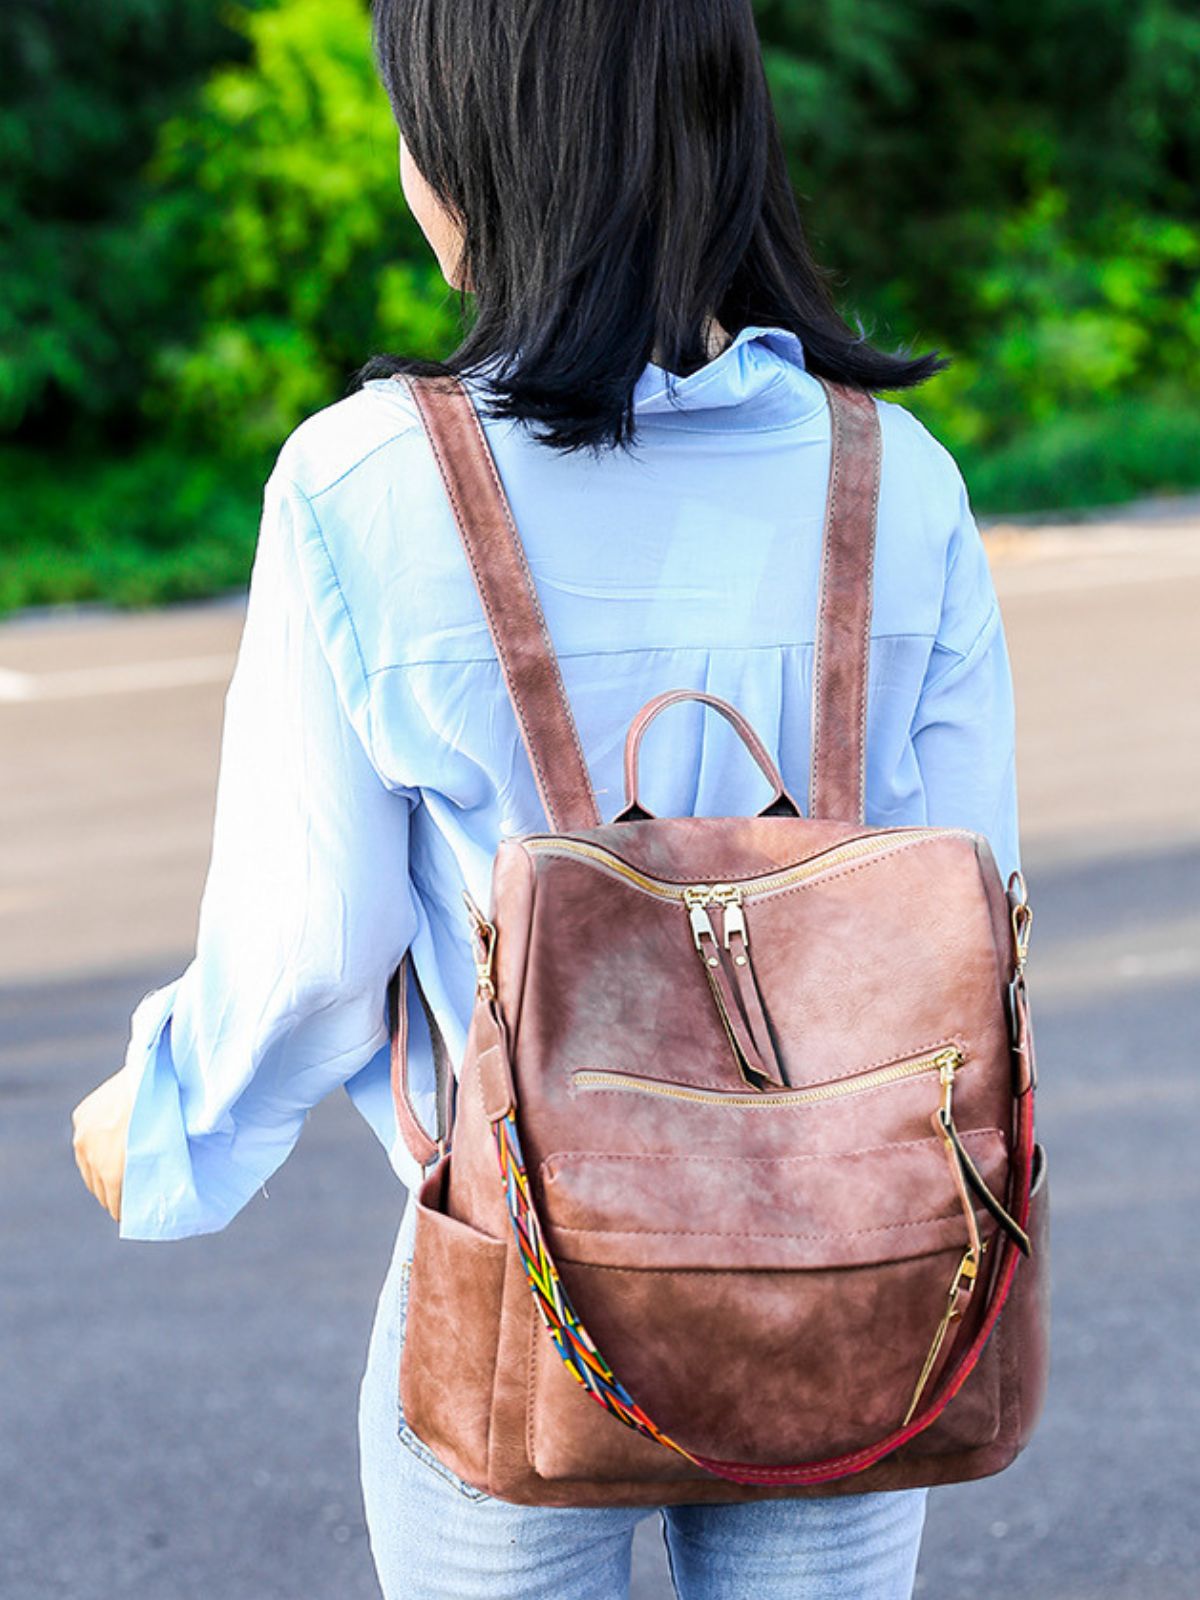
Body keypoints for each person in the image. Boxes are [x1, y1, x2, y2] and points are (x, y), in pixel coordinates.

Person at [71, 1, 1021, 1595]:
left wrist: (167, 1121)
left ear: (480, 146)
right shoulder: (897, 480)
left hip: (520, 1278)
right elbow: (970, 914)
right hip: (855, 1281)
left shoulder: (367, 484)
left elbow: (317, 949)